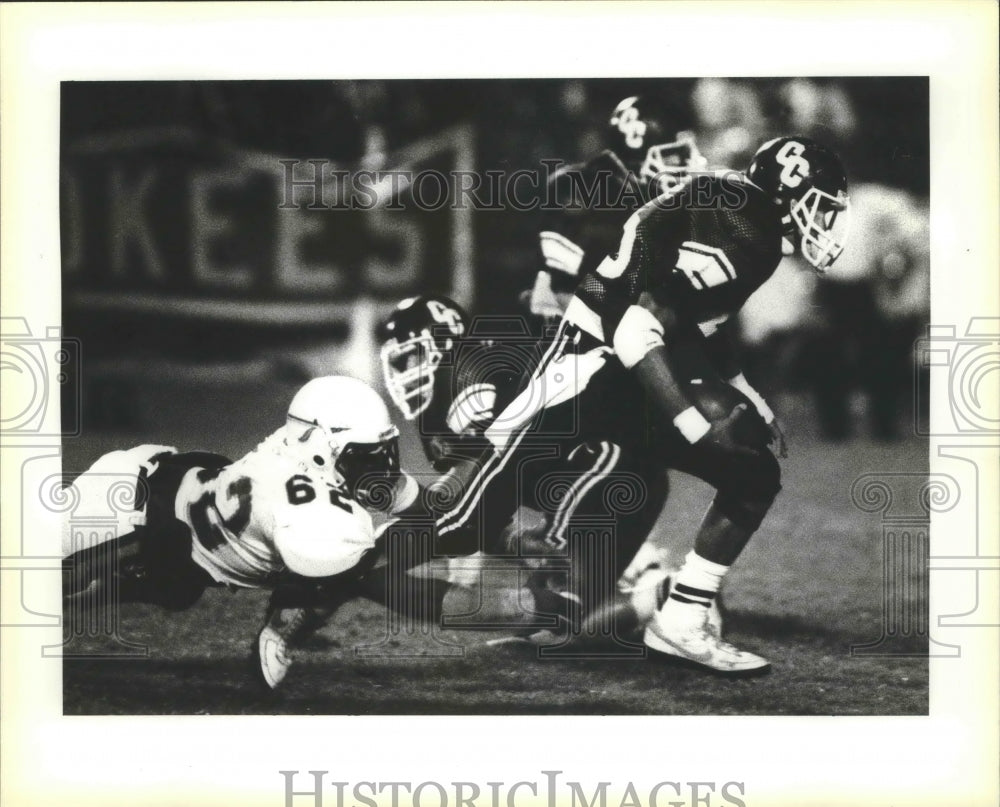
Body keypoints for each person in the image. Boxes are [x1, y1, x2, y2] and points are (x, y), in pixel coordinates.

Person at [435, 135, 851, 676]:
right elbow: (634, 320)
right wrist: (693, 421)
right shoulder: (735, 224)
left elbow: (703, 322)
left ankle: (679, 616)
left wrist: (746, 394)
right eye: (821, 202)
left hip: (631, 376)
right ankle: (326, 555)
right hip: (586, 371)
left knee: (749, 473)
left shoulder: (752, 227)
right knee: (465, 517)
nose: (826, 220)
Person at [60, 376, 419, 689]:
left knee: (174, 589)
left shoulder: (304, 452)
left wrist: (459, 522)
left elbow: (424, 509)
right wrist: (280, 628)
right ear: (319, 446)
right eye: (367, 455)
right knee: (42, 582)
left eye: (382, 451)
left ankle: (97, 588)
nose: (382, 467)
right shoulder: (295, 497)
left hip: (183, 535)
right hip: (129, 506)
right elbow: (335, 579)